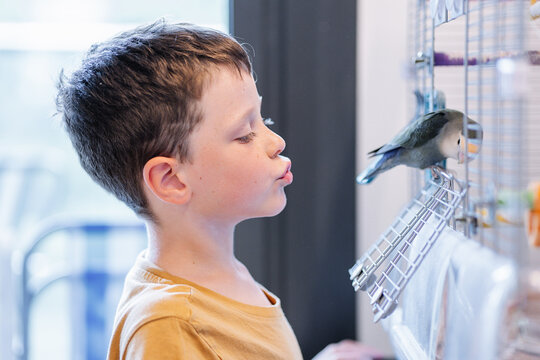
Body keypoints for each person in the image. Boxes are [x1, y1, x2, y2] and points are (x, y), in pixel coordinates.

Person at [56, 20, 383, 360]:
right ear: (171, 179)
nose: (276, 142)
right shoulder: (169, 326)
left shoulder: (223, 277)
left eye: (264, 121)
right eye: (245, 133)